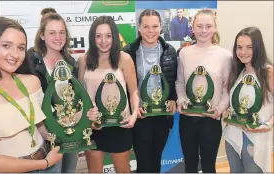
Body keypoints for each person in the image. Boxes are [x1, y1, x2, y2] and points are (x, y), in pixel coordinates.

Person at [0, 17, 63, 173]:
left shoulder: (32, 82)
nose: (15, 54)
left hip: (50, 163)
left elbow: (41, 128)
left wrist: (78, 123)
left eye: (20, 48)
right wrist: (43, 164)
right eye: (6, 46)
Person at [78, 16, 139, 173]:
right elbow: (80, 95)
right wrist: (86, 118)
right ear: (93, 37)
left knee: (123, 170)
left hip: (119, 125)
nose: (103, 41)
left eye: (108, 36)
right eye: (98, 36)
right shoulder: (83, 60)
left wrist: (133, 116)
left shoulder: (124, 59)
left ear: (115, 36)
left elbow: (134, 92)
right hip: (92, 126)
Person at [176, 9, 232, 173]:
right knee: (190, 165)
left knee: (208, 166)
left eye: (208, 26)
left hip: (211, 120)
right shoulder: (184, 53)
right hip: (187, 119)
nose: (204, 30)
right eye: (199, 26)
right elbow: (179, 82)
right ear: (192, 27)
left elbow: (227, 89)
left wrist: (220, 109)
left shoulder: (225, 56)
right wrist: (180, 99)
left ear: (215, 28)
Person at [123, 9, 177, 173]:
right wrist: (133, 108)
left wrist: (173, 98)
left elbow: (173, 78)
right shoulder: (128, 52)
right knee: (144, 162)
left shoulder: (170, 51)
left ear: (161, 27)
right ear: (139, 27)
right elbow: (124, 86)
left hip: (162, 115)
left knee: (156, 159)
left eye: (155, 26)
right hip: (140, 115)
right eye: (146, 26)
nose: (151, 31)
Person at [28, 8, 78, 173]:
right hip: (41, 135)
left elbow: (77, 98)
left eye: (62, 32)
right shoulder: (30, 61)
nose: (58, 37)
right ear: (42, 35)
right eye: (52, 33)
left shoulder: (71, 62)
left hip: (70, 132)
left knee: (69, 170)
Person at [224, 27, 273, 173]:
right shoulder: (237, 71)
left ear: (258, 48)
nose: (243, 52)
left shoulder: (267, 72)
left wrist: (268, 125)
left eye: (249, 47)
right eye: (239, 47)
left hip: (254, 137)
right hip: (232, 135)